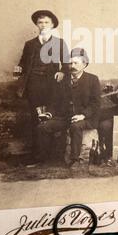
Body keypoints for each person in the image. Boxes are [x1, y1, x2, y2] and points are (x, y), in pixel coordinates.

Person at [36, 48, 101, 167]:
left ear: (85, 64)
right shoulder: (63, 81)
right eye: (70, 63)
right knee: (43, 127)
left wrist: (83, 115)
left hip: (86, 118)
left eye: (76, 63)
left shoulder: (93, 80)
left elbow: (96, 104)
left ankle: (75, 160)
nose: (72, 66)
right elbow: (55, 102)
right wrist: (49, 114)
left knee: (76, 126)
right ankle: (44, 159)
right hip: (65, 117)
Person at [14, 10, 69, 148]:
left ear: (52, 25)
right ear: (37, 25)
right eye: (40, 22)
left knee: (51, 115)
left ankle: (52, 152)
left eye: (46, 22)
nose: (43, 25)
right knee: (36, 116)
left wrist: (62, 72)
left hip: (53, 85)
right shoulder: (30, 44)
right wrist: (19, 68)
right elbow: (23, 62)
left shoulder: (59, 43)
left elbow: (67, 64)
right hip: (34, 84)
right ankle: (38, 153)